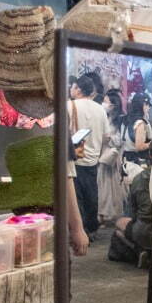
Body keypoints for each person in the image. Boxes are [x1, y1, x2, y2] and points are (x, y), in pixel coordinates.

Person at [0, 6, 90, 257]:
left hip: (39, 220)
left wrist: (76, 227)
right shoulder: (1, 108)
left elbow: (65, 172)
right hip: (4, 218)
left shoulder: (54, 110)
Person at [68, 73, 111, 236]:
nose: (71, 89)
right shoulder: (100, 109)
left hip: (74, 158)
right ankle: (91, 229)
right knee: (91, 194)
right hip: (93, 159)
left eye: (73, 87)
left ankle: (79, 230)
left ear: (78, 89)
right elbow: (107, 136)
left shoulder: (69, 105)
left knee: (76, 197)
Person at [97, 90, 128, 226]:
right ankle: (103, 213)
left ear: (114, 105)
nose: (104, 104)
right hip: (104, 155)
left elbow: (121, 140)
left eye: (107, 101)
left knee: (113, 187)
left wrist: (109, 138)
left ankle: (113, 214)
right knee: (103, 186)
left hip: (113, 158)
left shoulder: (121, 119)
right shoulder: (104, 117)